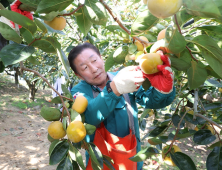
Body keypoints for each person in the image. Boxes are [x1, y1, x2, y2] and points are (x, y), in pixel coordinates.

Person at [68, 43, 175, 170]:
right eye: (85, 67)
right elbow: (89, 115)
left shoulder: (124, 77)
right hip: (101, 162)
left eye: (94, 60)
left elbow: (149, 100)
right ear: (78, 75)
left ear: (101, 59)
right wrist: (115, 89)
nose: (93, 69)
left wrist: (162, 91)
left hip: (131, 155)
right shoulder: (79, 91)